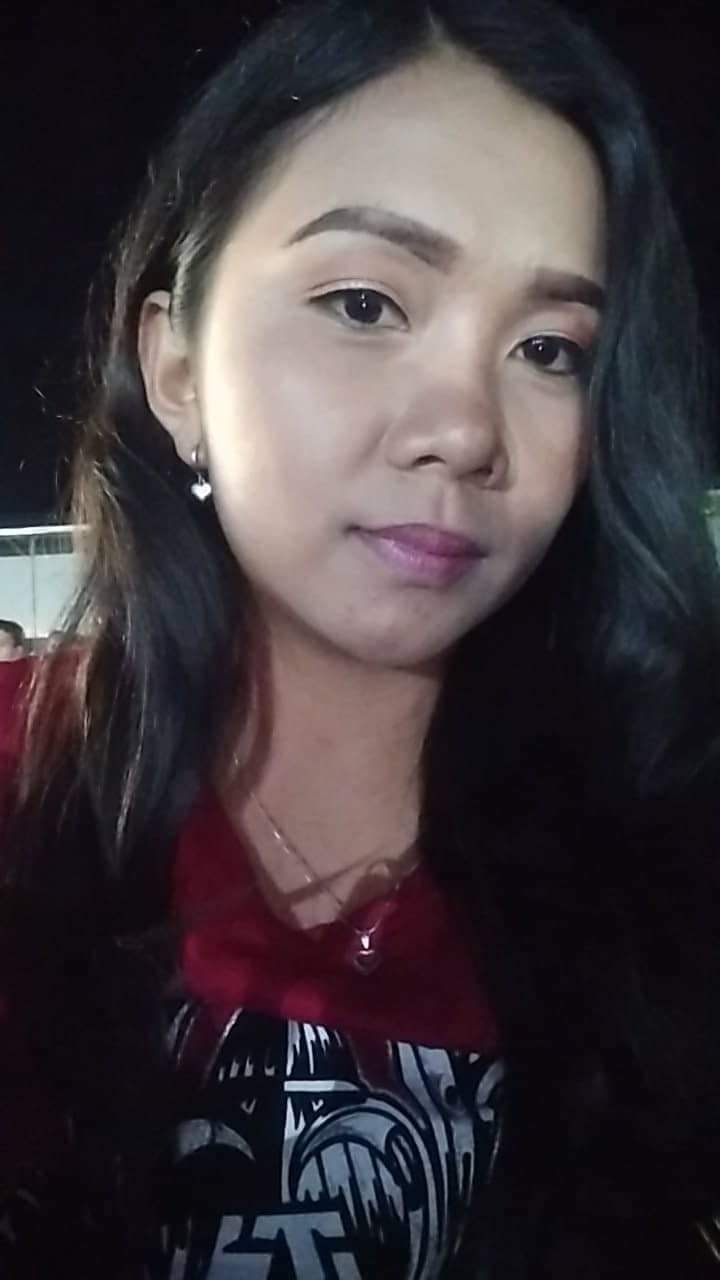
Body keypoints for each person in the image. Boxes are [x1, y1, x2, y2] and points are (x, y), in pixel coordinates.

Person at [2, 0, 720, 1275]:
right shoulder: (25, 780)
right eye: (364, 303)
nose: (465, 429)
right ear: (175, 369)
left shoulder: (661, 816)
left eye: (550, 348)